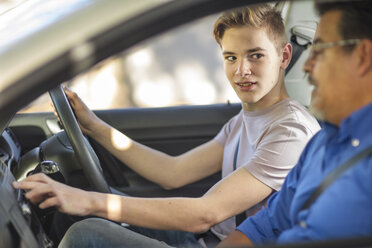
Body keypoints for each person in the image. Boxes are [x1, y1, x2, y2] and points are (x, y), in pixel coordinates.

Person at [13, 4, 320, 248]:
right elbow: (173, 173)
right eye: (231, 57)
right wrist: (94, 127)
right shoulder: (245, 120)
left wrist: (88, 202)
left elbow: (205, 214)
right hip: (208, 239)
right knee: (80, 212)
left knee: (86, 233)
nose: (242, 71)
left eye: (255, 56)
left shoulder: (289, 133)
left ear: (283, 56)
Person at [218, 0, 372, 247]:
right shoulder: (321, 142)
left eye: (320, 51)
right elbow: (264, 226)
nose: (308, 66)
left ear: (363, 56)